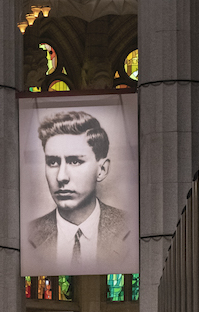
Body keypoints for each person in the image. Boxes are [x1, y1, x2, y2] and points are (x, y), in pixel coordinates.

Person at [26, 111, 135, 275]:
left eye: (75, 161)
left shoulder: (130, 227)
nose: (61, 177)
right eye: (53, 162)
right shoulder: (28, 234)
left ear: (102, 169)